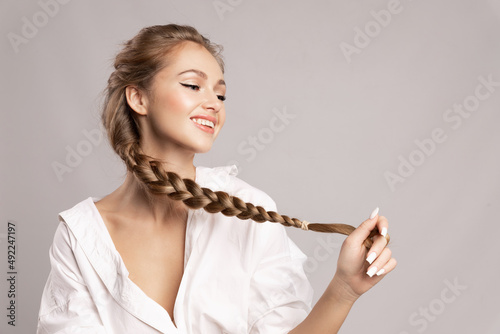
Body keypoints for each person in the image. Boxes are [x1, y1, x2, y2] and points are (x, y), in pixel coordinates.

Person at [37, 24, 396, 333]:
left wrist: (344, 289)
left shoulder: (251, 213)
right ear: (138, 98)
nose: (214, 103)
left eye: (220, 93)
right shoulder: (80, 236)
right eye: (193, 86)